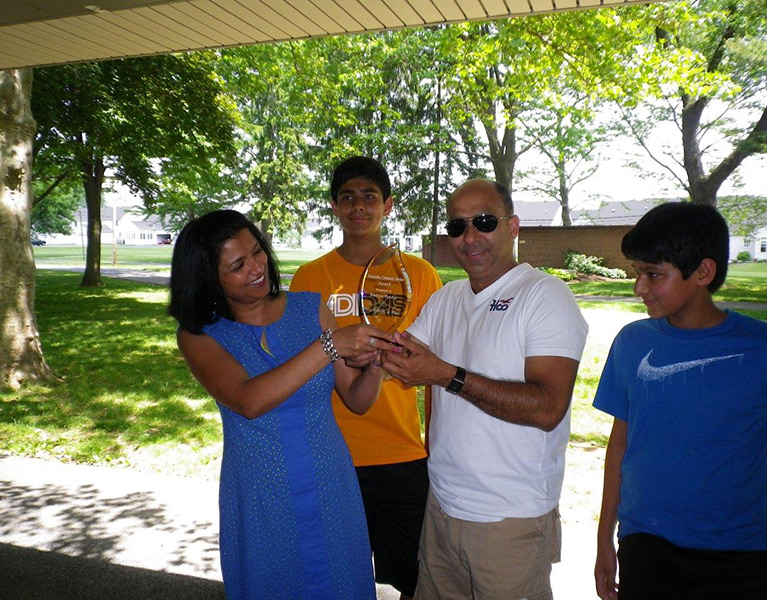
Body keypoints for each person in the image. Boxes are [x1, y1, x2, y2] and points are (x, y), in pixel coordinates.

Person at [168, 209, 395, 600]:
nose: (256, 267)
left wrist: (377, 363)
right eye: (237, 265)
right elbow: (249, 400)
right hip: (261, 494)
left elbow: (357, 400)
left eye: (257, 252)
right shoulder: (200, 337)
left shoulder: (310, 309)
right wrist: (329, 346)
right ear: (208, 279)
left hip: (330, 484)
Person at [380, 179, 588, 600]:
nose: (470, 236)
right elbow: (399, 359)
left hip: (509, 520)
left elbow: (548, 407)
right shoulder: (446, 298)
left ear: (513, 226)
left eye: (484, 222)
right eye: (457, 227)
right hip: (442, 508)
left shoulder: (544, 295)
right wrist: (355, 346)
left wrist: (447, 375)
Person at [593, 202, 767, 600]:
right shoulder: (632, 342)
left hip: (740, 559)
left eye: (654, 274)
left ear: (703, 272)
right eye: (637, 272)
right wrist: (605, 539)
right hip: (645, 548)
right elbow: (620, 442)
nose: (639, 288)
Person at [290, 156, 442, 599]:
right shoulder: (310, 277)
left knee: (415, 577)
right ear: (334, 206)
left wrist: (435, 443)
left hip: (402, 450)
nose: (359, 206)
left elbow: (434, 367)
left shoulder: (418, 274)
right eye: (348, 197)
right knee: (337, 577)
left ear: (387, 205)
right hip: (331, 454)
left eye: (370, 197)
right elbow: (303, 367)